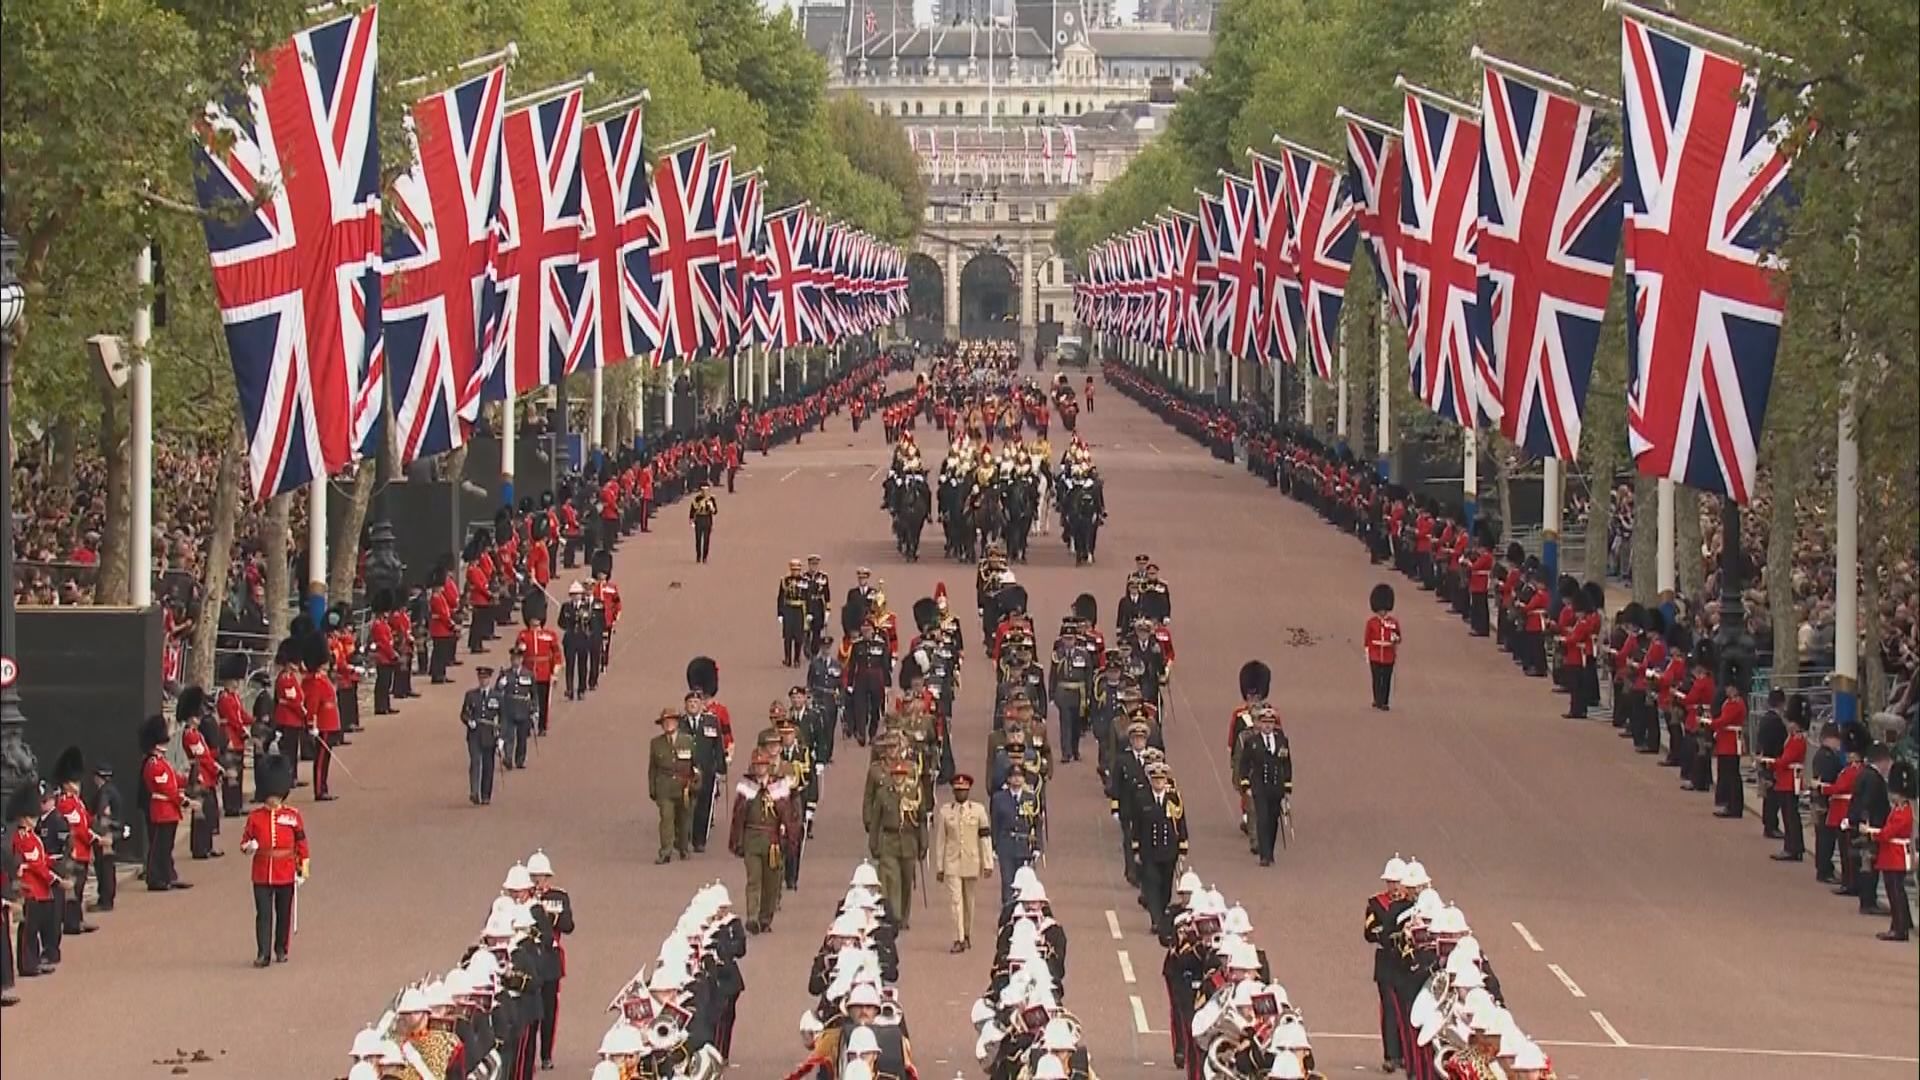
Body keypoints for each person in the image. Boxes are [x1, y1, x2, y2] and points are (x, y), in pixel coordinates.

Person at [240, 756, 307, 966]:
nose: (273, 799)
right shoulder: (255, 817)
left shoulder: (293, 816)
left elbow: (302, 845)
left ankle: (281, 948)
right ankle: (263, 953)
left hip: (286, 870)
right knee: (264, 915)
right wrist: (249, 847)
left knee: (284, 914)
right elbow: (244, 843)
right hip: (262, 871)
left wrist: (302, 870)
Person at [729, 749, 792, 934]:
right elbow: (738, 815)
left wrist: (788, 837)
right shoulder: (746, 786)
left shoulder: (779, 786)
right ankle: (752, 917)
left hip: (772, 842)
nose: (760, 769)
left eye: (763, 765)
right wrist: (737, 841)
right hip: (752, 840)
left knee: (771, 883)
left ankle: (765, 918)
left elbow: (787, 814)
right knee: (754, 880)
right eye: (757, 765)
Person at [930, 774, 993, 953]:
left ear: (969, 791)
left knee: (969, 901)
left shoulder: (978, 810)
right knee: (955, 901)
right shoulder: (945, 812)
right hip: (952, 862)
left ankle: (967, 934)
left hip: (972, 860)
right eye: (958, 791)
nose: (961, 794)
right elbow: (941, 840)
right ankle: (957, 937)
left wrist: (988, 862)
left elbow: (985, 837)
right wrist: (940, 867)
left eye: (964, 791)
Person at [10, 782, 66, 977]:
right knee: (29, 930)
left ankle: (33, 961)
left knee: (37, 928)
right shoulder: (22, 838)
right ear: (24, 818)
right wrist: (55, 879)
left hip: (40, 889)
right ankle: (27, 964)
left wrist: (55, 862)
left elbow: (41, 859)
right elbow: (35, 865)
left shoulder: (32, 836)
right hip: (31, 889)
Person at [527, 850, 576, 1069]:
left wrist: (548, 916)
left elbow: (568, 925)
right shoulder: (521, 899)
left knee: (548, 1011)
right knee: (529, 1013)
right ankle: (527, 1055)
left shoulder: (558, 897)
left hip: (550, 961)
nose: (537, 881)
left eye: (541, 877)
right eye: (534, 877)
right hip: (528, 960)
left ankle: (546, 1054)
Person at [865, 758, 924, 931]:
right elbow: (876, 821)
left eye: (902, 775)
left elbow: (920, 820)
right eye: (896, 775)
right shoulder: (883, 793)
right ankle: (894, 916)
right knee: (892, 880)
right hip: (889, 841)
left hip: (908, 841)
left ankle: (904, 917)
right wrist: (873, 843)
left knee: (906, 881)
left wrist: (923, 843)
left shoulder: (914, 793)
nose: (899, 778)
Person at [1234, 705, 1293, 866]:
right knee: (1262, 818)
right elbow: (1244, 764)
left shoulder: (1282, 741)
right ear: (1259, 724)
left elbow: (1286, 764)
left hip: (1276, 786)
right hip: (1259, 786)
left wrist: (1287, 786)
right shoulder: (1252, 742)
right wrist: (1245, 784)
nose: (1267, 725)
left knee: (1273, 819)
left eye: (1270, 722)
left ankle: (1270, 850)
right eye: (1264, 722)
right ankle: (1264, 855)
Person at [1134, 762, 1187, 936]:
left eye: (1161, 779)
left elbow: (1181, 824)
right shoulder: (1142, 799)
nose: (1158, 783)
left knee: (1165, 887)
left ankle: (1161, 913)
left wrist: (1182, 848)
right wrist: (1136, 849)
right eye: (1155, 780)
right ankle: (1156, 920)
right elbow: (1137, 826)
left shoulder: (1174, 799)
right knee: (1152, 885)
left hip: (1168, 853)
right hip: (1149, 852)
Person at [50, 749, 99, 936]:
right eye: (73, 782)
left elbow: (86, 820)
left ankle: (77, 919)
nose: (77, 785)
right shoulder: (65, 803)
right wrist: (94, 838)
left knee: (79, 887)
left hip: (83, 849)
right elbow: (77, 828)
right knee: (73, 888)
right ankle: (71, 922)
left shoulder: (76, 802)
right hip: (75, 850)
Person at [139, 714, 191, 891]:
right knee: (159, 847)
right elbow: (166, 789)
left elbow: (173, 781)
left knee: (166, 846)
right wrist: (183, 799)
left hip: (168, 809)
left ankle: (166, 876)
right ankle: (155, 878)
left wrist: (188, 780)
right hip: (162, 809)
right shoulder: (153, 764)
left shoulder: (161, 762)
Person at [1865, 766, 1914, 942]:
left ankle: (1900, 929)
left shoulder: (1904, 813)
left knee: (1895, 892)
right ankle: (1898, 925)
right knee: (1894, 891)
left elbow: (1887, 833)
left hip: (1896, 854)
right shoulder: (1898, 809)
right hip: (1891, 853)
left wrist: (1870, 832)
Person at [649, 708, 698, 864]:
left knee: (684, 820)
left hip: (684, 787)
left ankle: (683, 848)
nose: (668, 724)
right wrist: (652, 789)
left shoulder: (688, 741)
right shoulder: (656, 743)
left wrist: (696, 784)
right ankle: (665, 852)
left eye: (671, 721)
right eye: (665, 722)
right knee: (666, 819)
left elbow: (695, 766)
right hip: (664, 787)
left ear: (677, 723)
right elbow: (652, 768)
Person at [989, 766, 1042, 908]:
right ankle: (1008, 913)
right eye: (1013, 776)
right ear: (1008, 779)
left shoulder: (1030, 798)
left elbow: (1036, 824)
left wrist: (1037, 846)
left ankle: (1022, 911)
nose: (1017, 779)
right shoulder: (999, 798)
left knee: (1024, 881)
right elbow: (995, 823)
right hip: (1006, 845)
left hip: (1024, 845)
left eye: (1019, 776)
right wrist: (993, 846)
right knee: (1007, 882)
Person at [1760, 705, 1807, 861]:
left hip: (1790, 780)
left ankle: (1792, 848)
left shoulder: (1797, 740)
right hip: (1786, 779)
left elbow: (1786, 761)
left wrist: (1769, 762)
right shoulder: (1793, 738)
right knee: (1789, 815)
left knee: (1790, 816)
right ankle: (1793, 846)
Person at [515, 592, 562, 736]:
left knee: (543, 702)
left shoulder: (549, 635)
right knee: (526, 701)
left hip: (543, 672)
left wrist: (555, 671)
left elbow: (556, 654)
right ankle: (527, 725)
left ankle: (542, 726)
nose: (535, 620)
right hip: (528, 671)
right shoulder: (523, 635)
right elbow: (518, 653)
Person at [461, 665, 504, 805]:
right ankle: (474, 792)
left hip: (489, 734)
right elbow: (464, 714)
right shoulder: (471, 695)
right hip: (475, 733)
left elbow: (503, 718)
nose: (483, 681)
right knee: (475, 762)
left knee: (488, 765)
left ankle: (486, 794)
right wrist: (469, 721)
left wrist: (502, 737)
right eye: (481, 678)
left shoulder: (497, 697)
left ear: (489, 679)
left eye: (485, 678)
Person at [499, 643, 537, 770]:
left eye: (518, 658)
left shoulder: (528, 674)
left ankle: (520, 759)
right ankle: (508, 758)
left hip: (523, 708)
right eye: (513, 658)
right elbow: (496, 691)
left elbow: (533, 693)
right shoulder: (505, 673)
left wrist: (534, 709)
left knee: (522, 737)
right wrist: (500, 685)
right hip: (508, 707)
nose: (515, 661)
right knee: (508, 735)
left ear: (521, 660)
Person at [1366, 584, 1402, 711]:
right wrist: (1367, 654)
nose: (1382, 612)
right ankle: (1377, 699)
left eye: (1384, 609)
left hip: (1388, 655)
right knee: (1376, 678)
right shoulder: (1372, 622)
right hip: (1375, 654)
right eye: (1380, 609)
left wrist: (1395, 639)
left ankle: (1385, 701)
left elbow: (1398, 637)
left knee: (1386, 679)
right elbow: (1368, 639)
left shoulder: (1393, 623)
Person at [559, 581, 594, 701]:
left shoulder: (586, 607)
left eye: (578, 594)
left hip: (582, 638)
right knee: (570, 665)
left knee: (582, 665)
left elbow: (590, 622)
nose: (576, 596)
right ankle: (569, 689)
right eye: (573, 594)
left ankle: (581, 689)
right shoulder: (566, 607)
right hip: (570, 639)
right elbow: (561, 622)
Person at [778, 558, 811, 667]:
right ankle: (787, 658)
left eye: (797, 569)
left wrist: (809, 612)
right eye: (793, 569)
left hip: (799, 609)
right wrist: (780, 613)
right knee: (787, 636)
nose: (795, 571)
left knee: (798, 636)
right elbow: (781, 597)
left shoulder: (805, 581)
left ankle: (797, 659)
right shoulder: (785, 580)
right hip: (788, 609)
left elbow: (808, 597)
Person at [689, 483, 719, 563]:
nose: (705, 492)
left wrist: (712, 507)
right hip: (699, 519)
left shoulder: (711, 499)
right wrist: (691, 520)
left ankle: (705, 556)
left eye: (707, 490)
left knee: (706, 540)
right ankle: (698, 555)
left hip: (707, 519)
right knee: (698, 539)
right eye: (703, 490)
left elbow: (715, 511)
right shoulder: (697, 499)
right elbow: (692, 510)